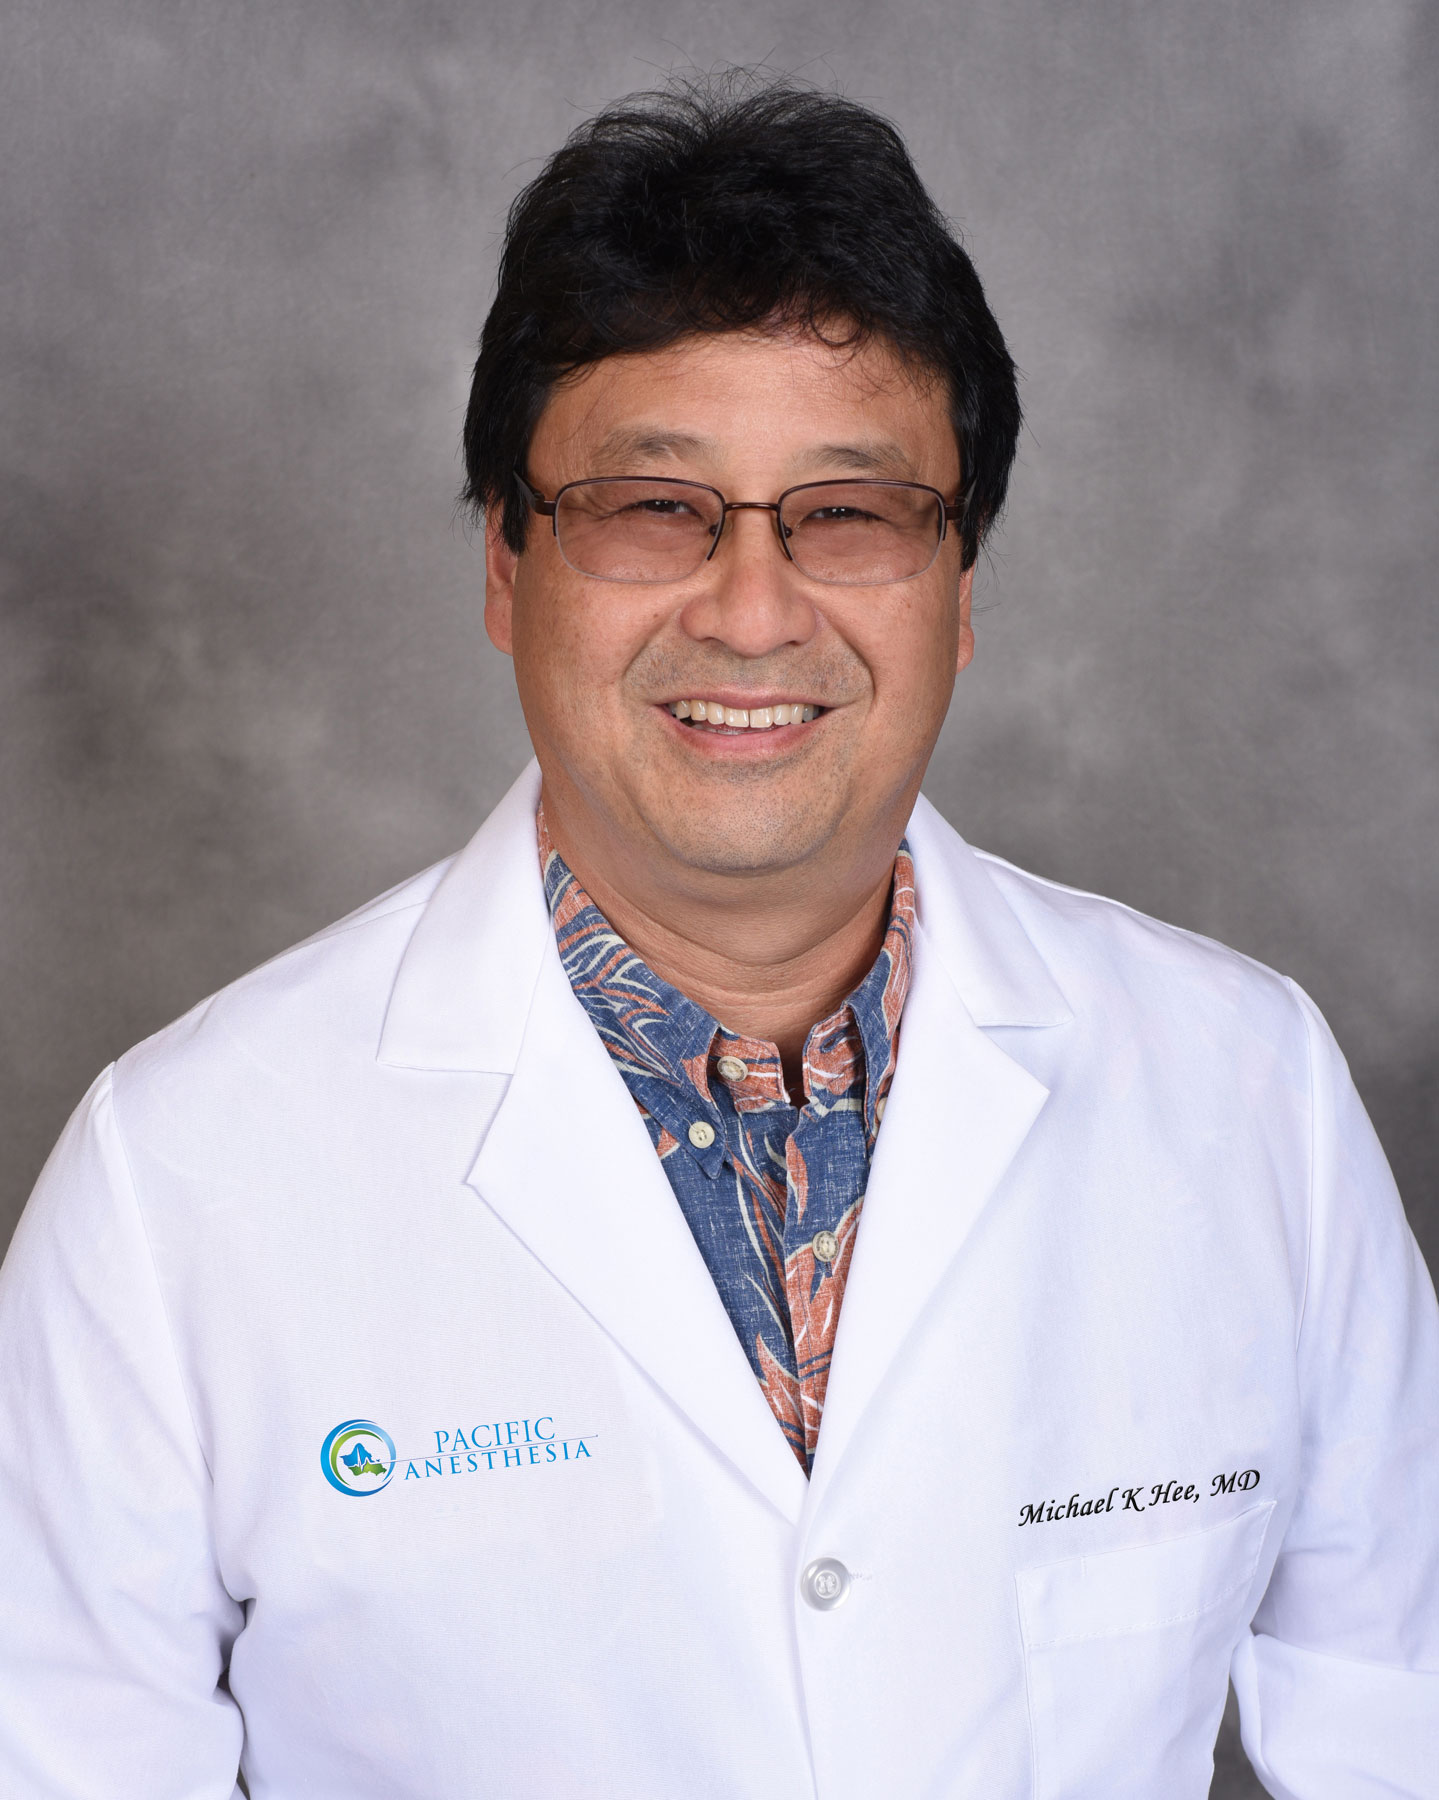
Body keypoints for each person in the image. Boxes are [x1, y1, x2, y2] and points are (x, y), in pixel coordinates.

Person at [0, 76, 1434, 1800]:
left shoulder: (1248, 1091)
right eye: (649, 507)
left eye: (849, 512)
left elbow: (1400, 1713)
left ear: (961, 580)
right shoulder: (176, 1181)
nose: (753, 613)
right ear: (506, 564)